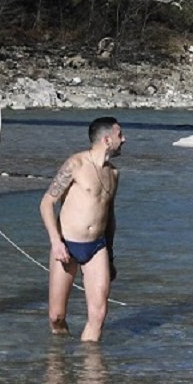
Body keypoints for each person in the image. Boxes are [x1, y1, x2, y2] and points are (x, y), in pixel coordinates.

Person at [39, 116, 124, 342]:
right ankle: (59, 362)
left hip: (97, 247)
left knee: (98, 315)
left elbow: (109, 214)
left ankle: (90, 372)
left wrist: (111, 256)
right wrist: (56, 243)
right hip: (67, 245)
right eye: (120, 135)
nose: (124, 140)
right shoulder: (75, 164)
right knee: (56, 316)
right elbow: (46, 203)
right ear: (107, 139)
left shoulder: (114, 173)